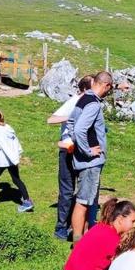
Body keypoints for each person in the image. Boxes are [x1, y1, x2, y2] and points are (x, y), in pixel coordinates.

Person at [47, 74, 93, 240]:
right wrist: (72, 116)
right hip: (68, 149)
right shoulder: (74, 101)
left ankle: (81, 226)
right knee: (67, 190)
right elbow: (51, 119)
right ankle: (61, 228)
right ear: (86, 89)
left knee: (84, 190)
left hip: (83, 150)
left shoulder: (90, 102)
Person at [70, 71, 113, 242]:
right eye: (109, 89)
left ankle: (87, 235)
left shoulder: (83, 98)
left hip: (84, 161)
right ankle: (78, 242)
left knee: (88, 199)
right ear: (106, 86)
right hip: (89, 163)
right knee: (83, 201)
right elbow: (80, 128)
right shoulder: (93, 104)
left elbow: (72, 123)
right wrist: (88, 151)